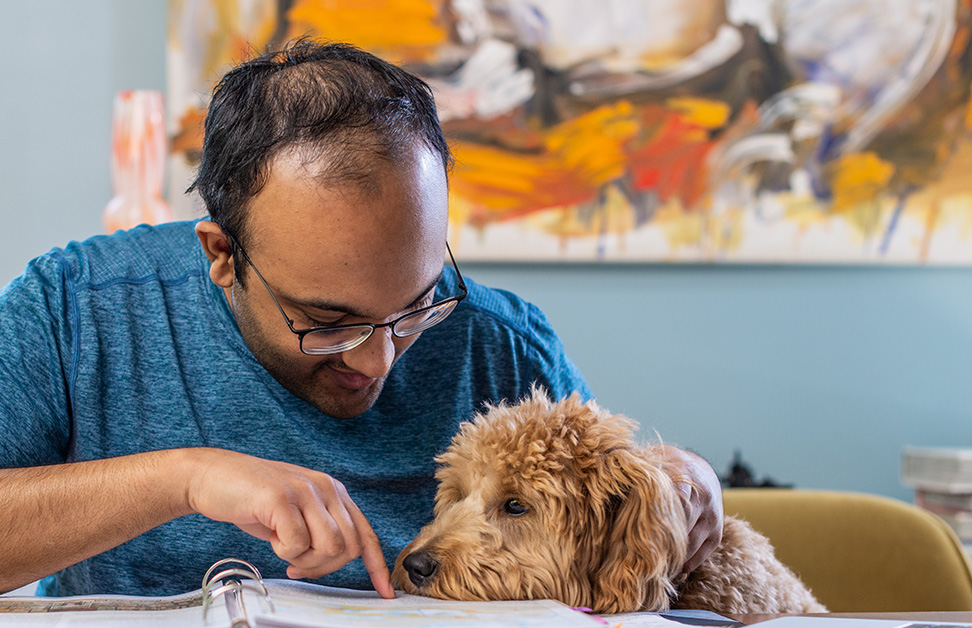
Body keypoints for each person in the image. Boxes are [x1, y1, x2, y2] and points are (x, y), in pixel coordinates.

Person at [0, 40, 723, 598]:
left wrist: (688, 483)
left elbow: (612, 516)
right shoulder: (77, 307)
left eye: (416, 305)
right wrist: (185, 478)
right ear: (223, 254)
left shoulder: (500, 342)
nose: (378, 361)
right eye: (328, 321)